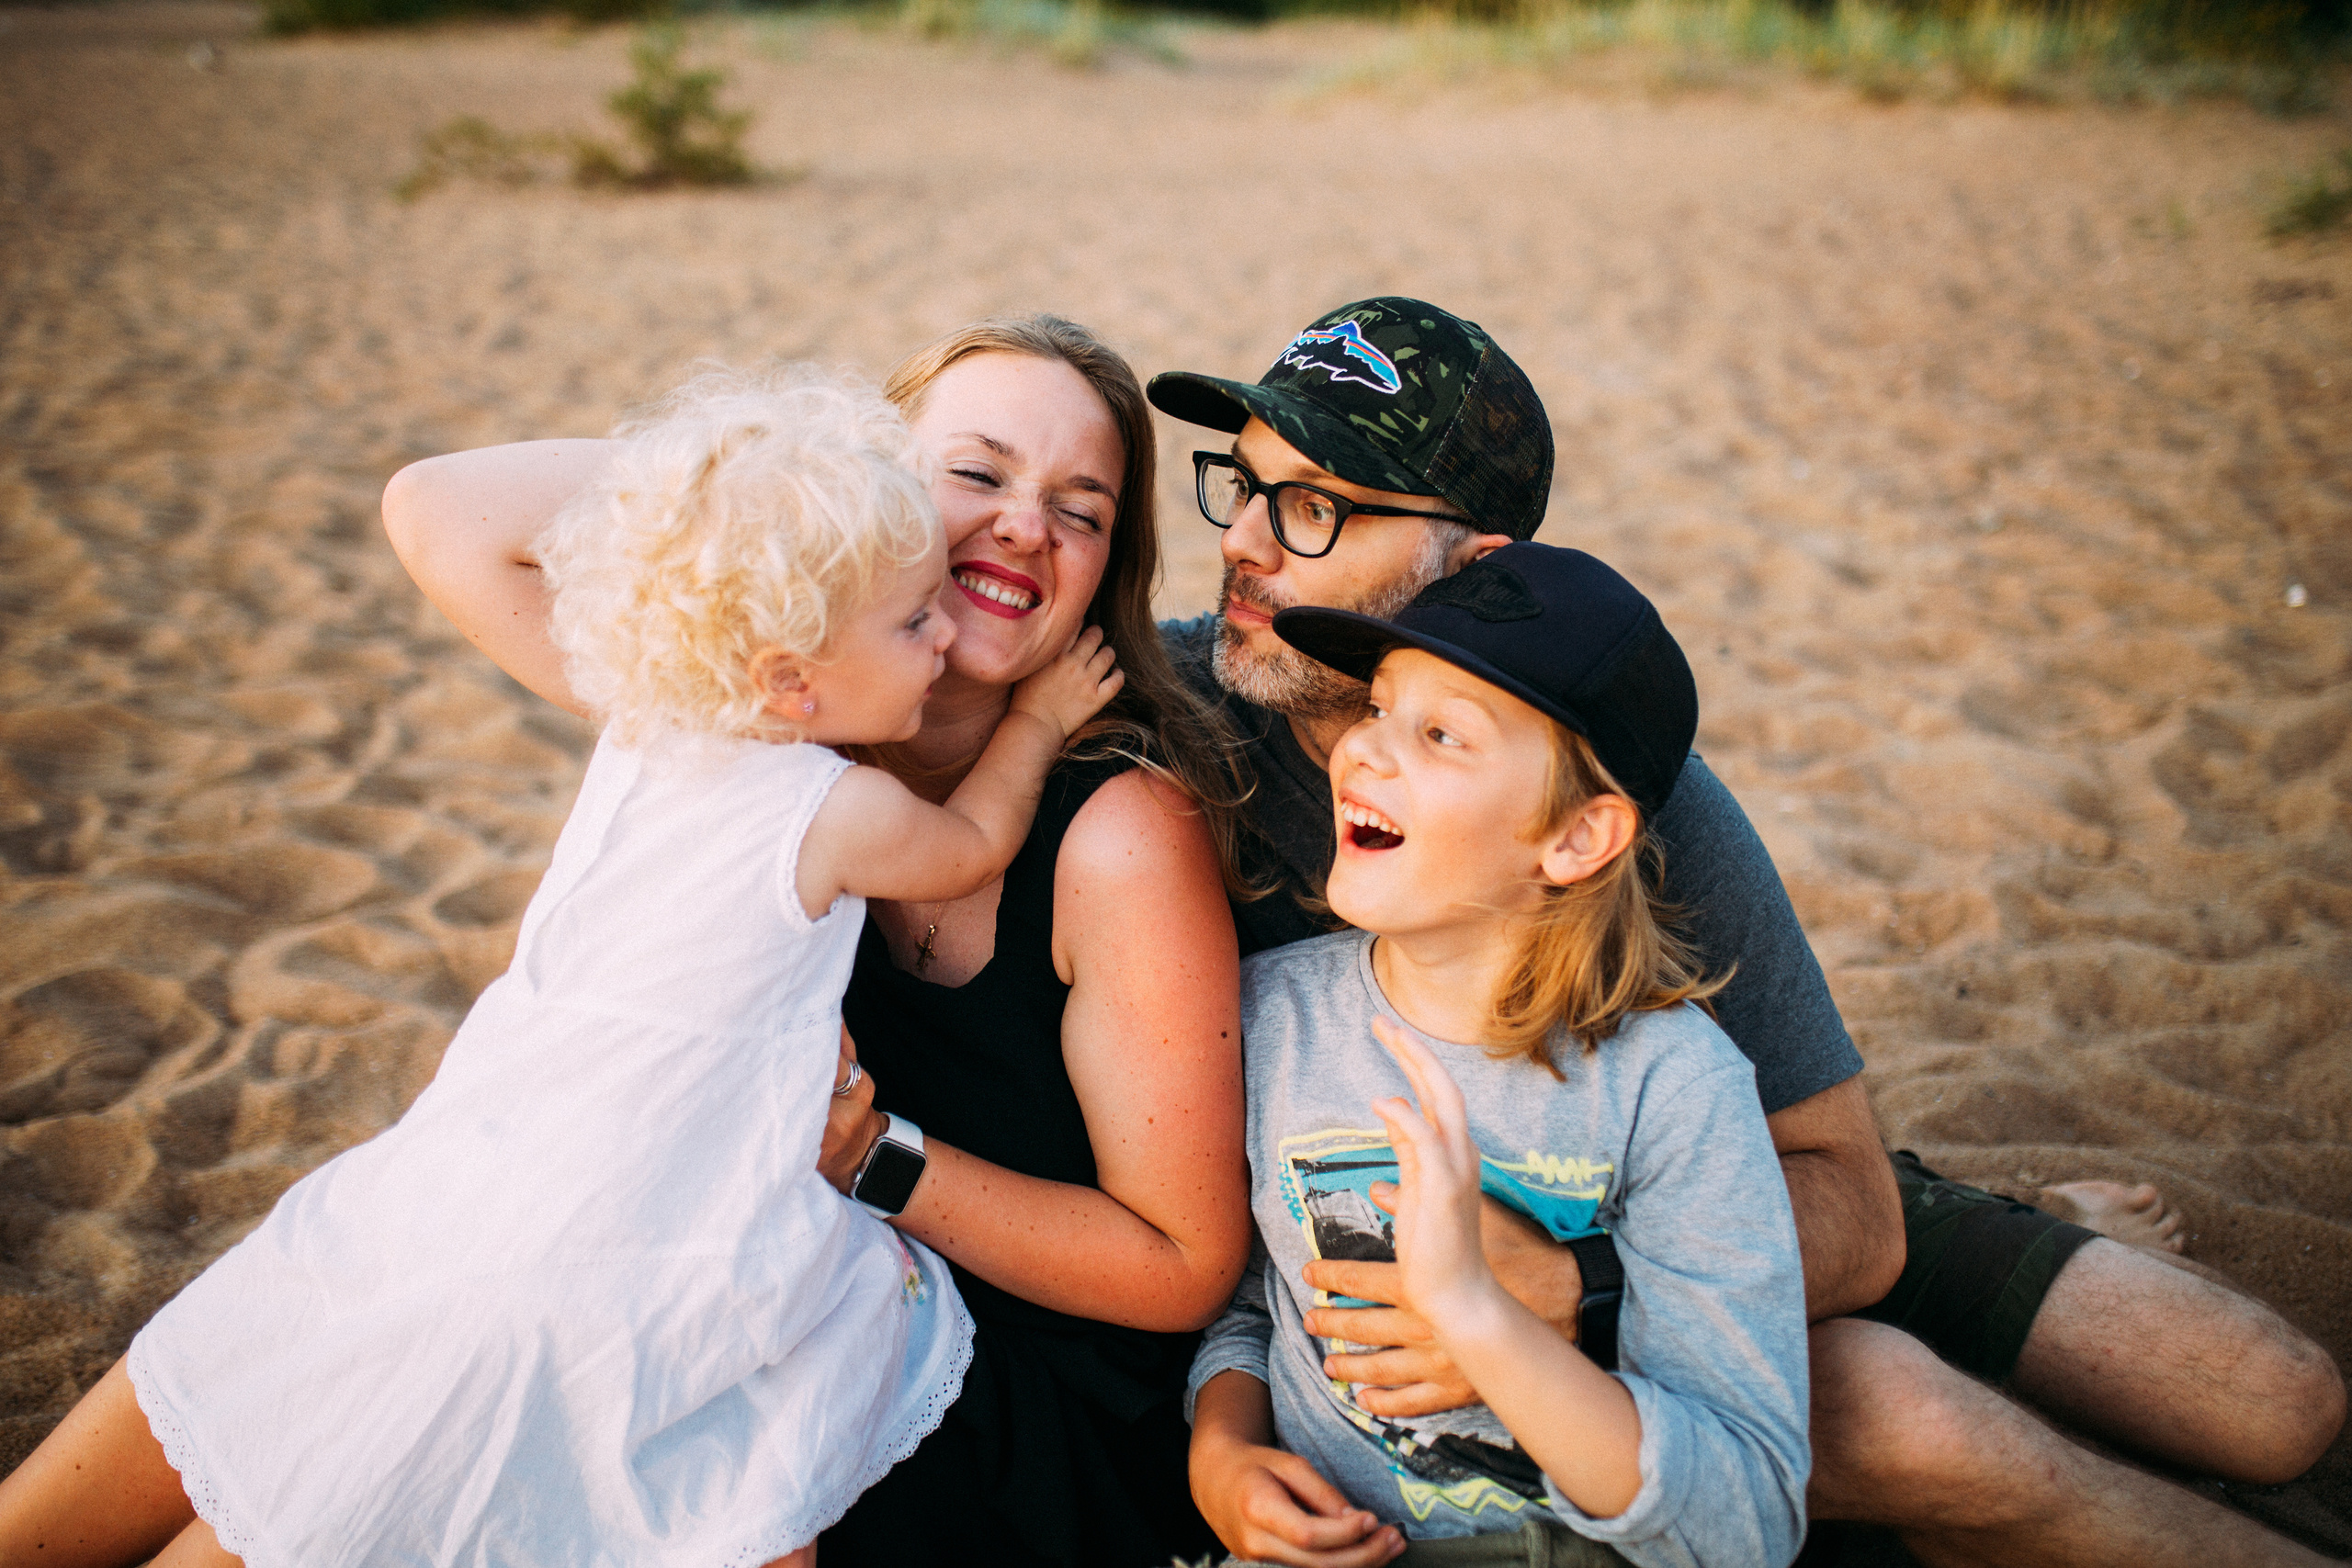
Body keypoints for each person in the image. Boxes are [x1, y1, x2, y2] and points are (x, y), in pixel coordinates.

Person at [1156, 298, 2346, 1568]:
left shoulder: (1612, 790)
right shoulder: (1172, 711)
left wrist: (1570, 1290)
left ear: (1474, 565)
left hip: (1700, 1193)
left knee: (2278, 1399)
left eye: (1313, 507)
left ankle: (2027, 1212)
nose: (1242, 540)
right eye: (1244, 483)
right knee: (1911, 1414)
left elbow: (1847, 1191)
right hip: (1496, 1322)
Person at [0, 366, 1136, 1568]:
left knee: (288, 1402)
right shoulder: (833, 804)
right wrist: (1039, 721)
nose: (945, 631)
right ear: (791, 675)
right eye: (913, 617)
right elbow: (972, 843)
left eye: (1081, 504)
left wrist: (772, 492)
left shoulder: (656, 722)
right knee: (364, 1468)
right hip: (623, 1236)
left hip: (469, 1160)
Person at [373, 314, 1253, 1568]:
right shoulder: (768, 716)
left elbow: (1181, 1264)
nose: (1024, 524)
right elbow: (442, 511)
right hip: (783, 1301)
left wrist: (874, 1156)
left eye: (1081, 506)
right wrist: (790, 481)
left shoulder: (1119, 835)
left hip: (1016, 1399)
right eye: (976, 472)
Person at [1193, 544, 1811, 1568]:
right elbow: (1255, 1293)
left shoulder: (1672, 1086)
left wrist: (1477, 1316)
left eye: (1439, 733)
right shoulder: (1263, 1019)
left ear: (1575, 838)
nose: (1365, 751)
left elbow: (1744, 1523)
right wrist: (1221, 1451)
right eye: (1378, 707)